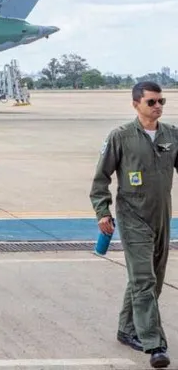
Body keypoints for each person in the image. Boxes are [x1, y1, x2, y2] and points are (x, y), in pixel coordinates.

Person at [90, 81, 176, 369]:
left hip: (162, 216)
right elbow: (101, 178)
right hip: (132, 217)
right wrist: (102, 211)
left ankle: (127, 329)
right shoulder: (121, 136)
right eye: (151, 102)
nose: (158, 106)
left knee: (151, 279)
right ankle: (154, 344)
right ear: (135, 104)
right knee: (144, 280)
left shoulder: (171, 135)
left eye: (161, 101)